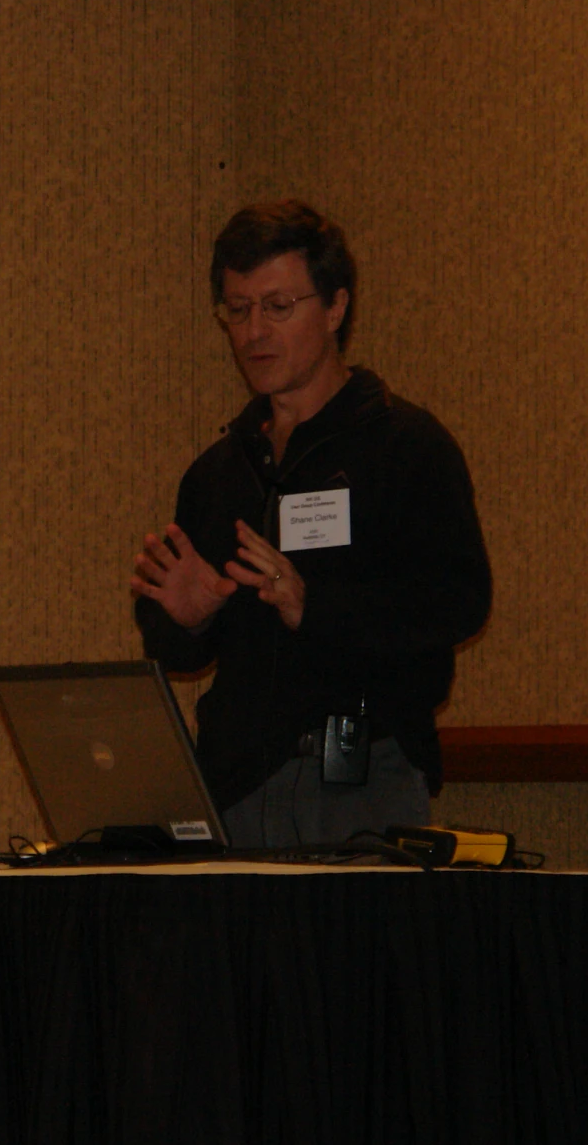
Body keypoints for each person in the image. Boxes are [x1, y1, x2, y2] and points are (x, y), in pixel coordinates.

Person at [130, 200, 492, 848]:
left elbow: (458, 603)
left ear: (334, 307)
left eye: (278, 306)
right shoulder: (220, 472)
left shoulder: (405, 446)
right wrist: (187, 621)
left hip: (360, 783)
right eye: (237, 310)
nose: (253, 332)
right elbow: (180, 650)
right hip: (238, 784)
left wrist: (314, 605)